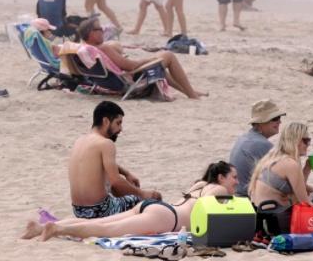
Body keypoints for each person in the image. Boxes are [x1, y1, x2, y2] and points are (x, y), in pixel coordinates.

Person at [22, 161, 238, 241]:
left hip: (158, 209)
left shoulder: (200, 185)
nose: (237, 183)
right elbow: (205, 208)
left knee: (102, 223)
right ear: (221, 177)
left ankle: (41, 228)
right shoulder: (219, 190)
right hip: (166, 218)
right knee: (107, 230)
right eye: (234, 178)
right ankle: (56, 230)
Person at [69, 102, 161, 219]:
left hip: (78, 211)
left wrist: (126, 173)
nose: (120, 128)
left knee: (112, 185)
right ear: (106, 121)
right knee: (153, 199)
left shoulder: (79, 141)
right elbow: (115, 181)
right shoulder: (106, 143)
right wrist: (142, 194)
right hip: (100, 210)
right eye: (118, 123)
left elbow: (99, 162)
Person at [78, 18, 207, 100]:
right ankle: (191, 94)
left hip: (108, 81)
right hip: (130, 78)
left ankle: (189, 91)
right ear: (92, 33)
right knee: (168, 55)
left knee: (160, 66)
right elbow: (131, 66)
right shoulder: (102, 48)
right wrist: (147, 60)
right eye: (100, 29)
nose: (103, 31)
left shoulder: (86, 49)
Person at [249, 122, 313, 207]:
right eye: (306, 140)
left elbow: (300, 188)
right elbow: (304, 203)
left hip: (261, 214)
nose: (309, 144)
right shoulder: (290, 164)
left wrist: (307, 169)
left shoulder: (271, 158)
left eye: (309, 140)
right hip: (276, 217)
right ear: (294, 140)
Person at [229, 99, 285, 197]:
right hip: (250, 202)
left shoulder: (246, 137)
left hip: (238, 197)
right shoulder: (262, 144)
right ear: (260, 122)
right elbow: (288, 180)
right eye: (275, 118)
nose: (280, 121)